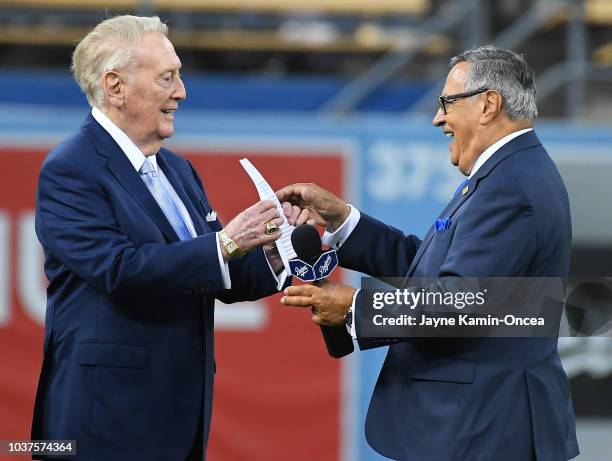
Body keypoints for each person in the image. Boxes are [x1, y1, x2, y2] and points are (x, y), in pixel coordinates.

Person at [278, 46, 579, 460]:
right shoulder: (508, 172)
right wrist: (344, 220)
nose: (438, 117)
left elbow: (458, 303)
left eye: (447, 103)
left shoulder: (510, 184)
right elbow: (436, 275)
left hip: (486, 430)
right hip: (479, 425)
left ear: (488, 104)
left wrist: (356, 308)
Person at [31, 15, 291, 461]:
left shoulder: (176, 169)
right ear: (115, 86)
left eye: (180, 76)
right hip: (101, 426)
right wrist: (227, 242)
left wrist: (278, 245)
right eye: (167, 78)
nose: (182, 92)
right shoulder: (70, 170)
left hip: (177, 420)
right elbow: (121, 270)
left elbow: (215, 273)